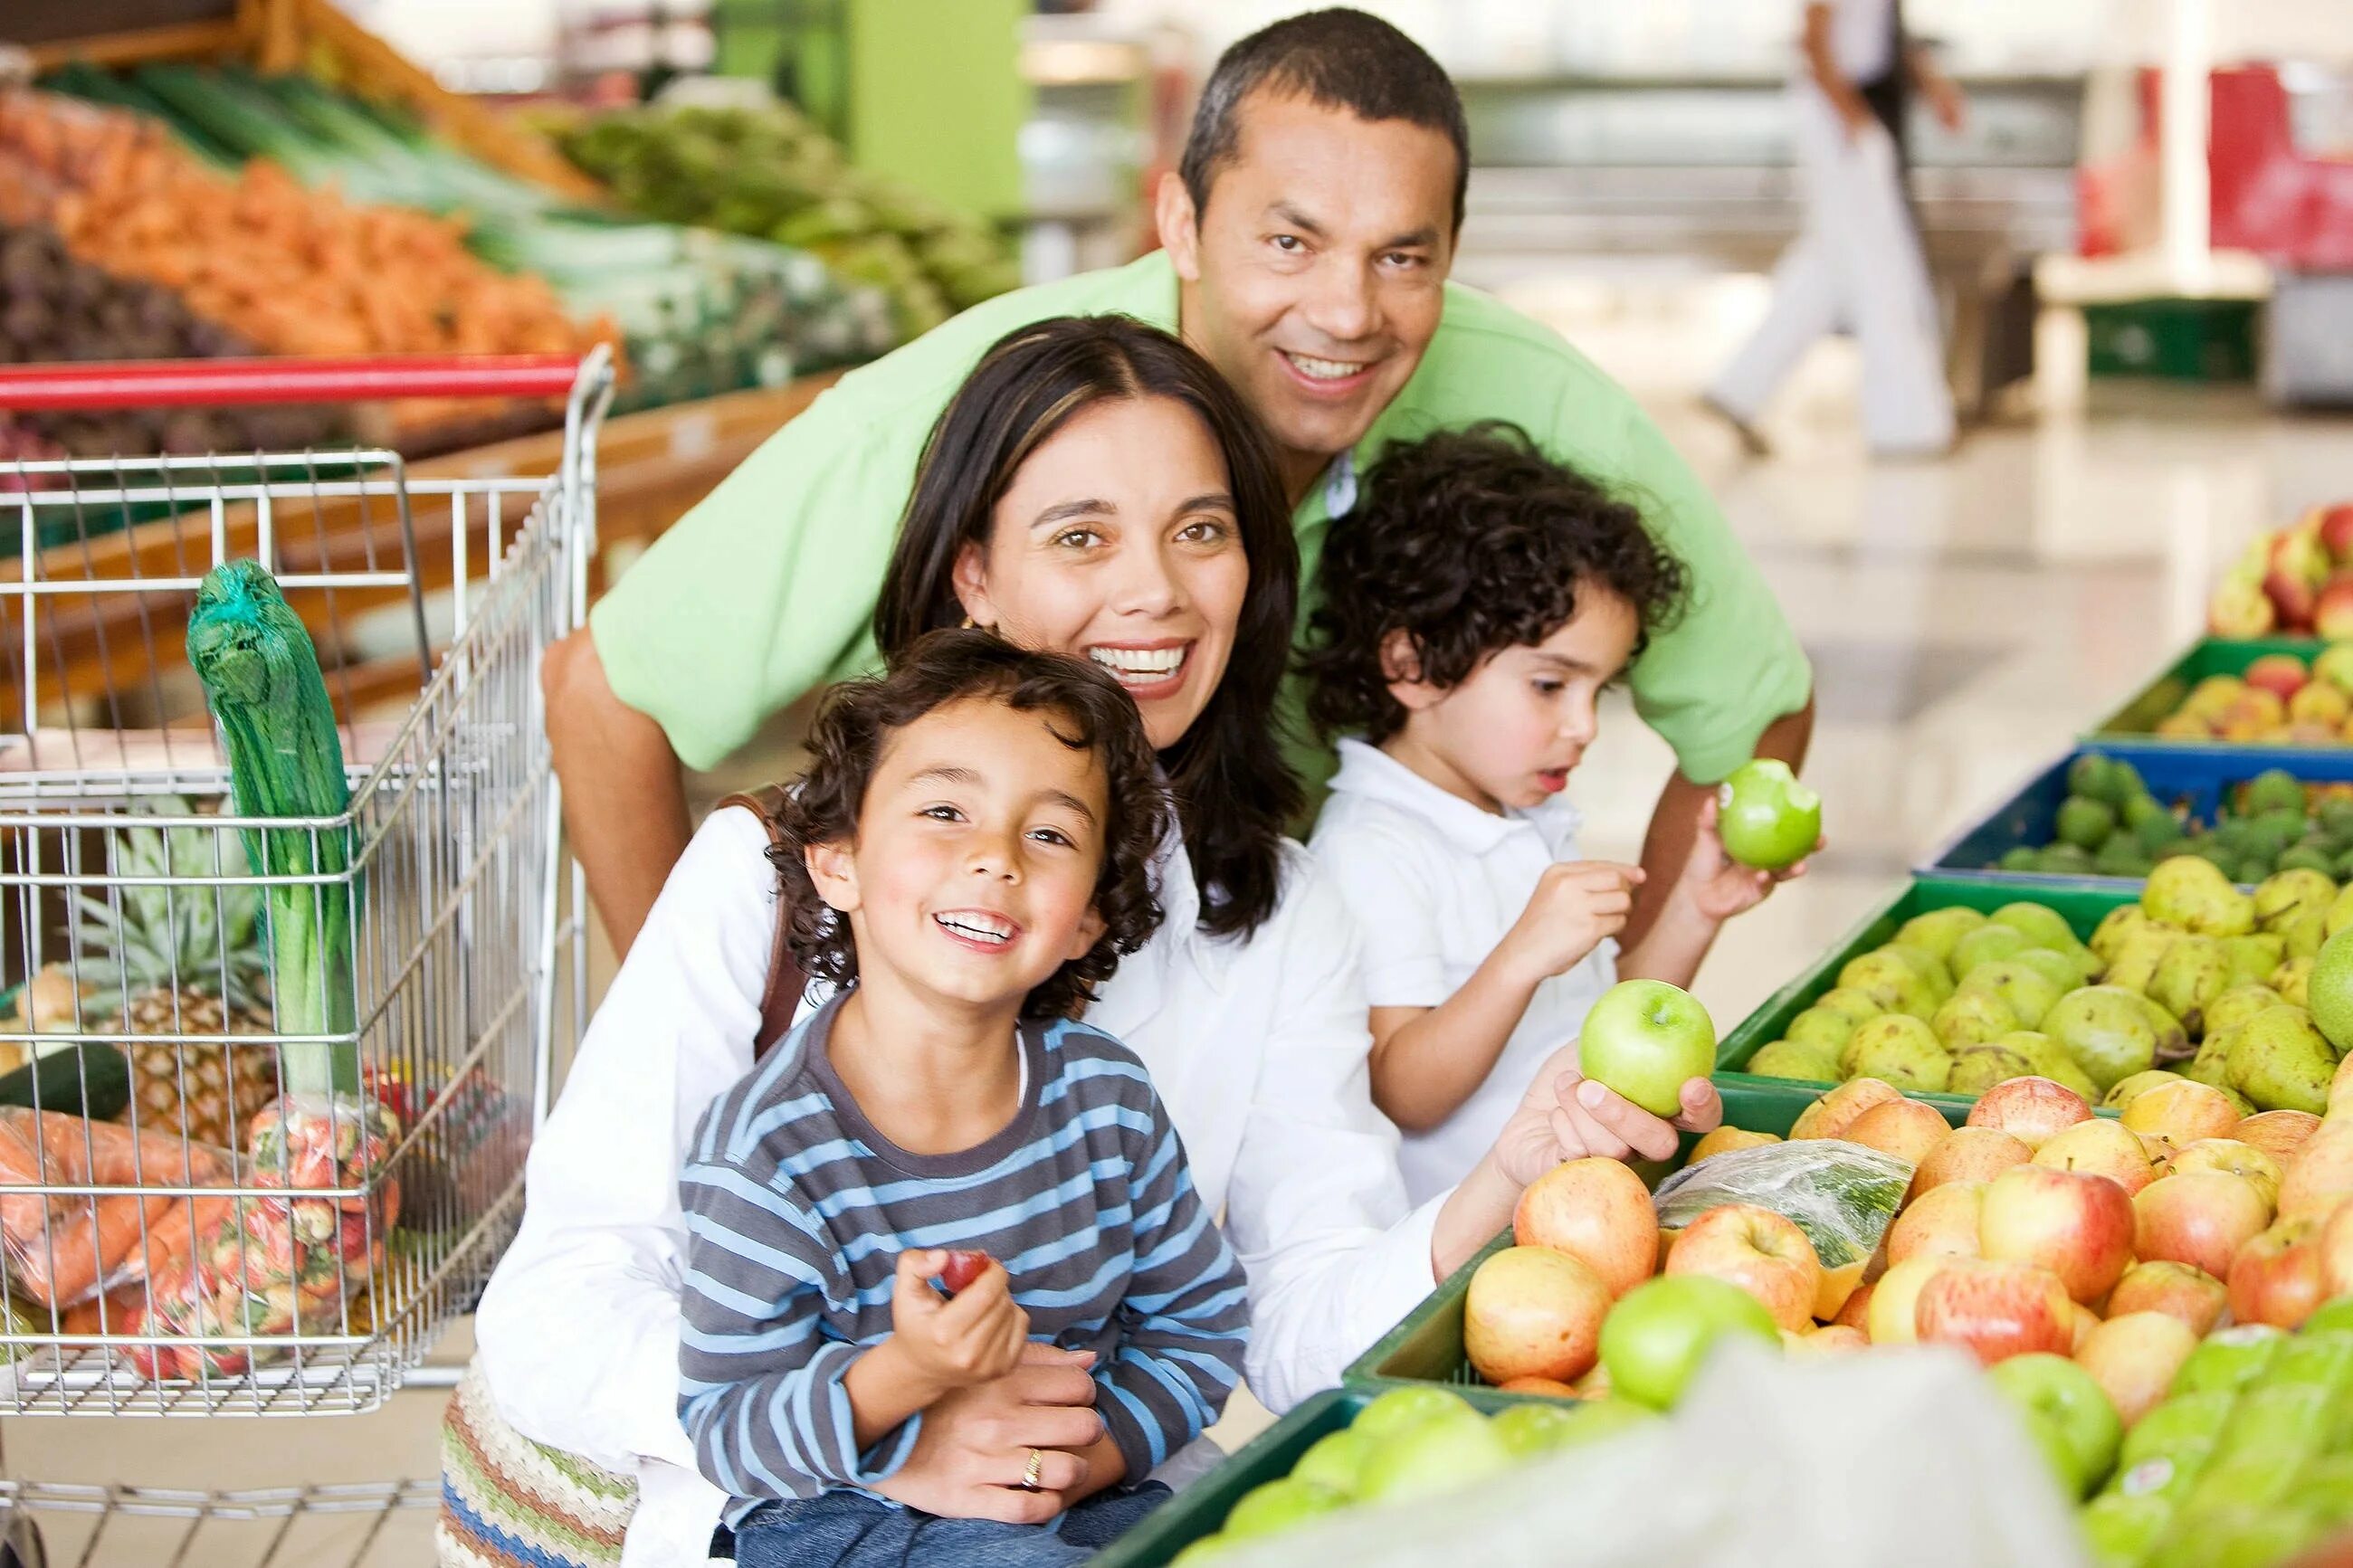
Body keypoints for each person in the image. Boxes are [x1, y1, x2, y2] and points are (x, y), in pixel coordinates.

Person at [451, 318, 1723, 1568]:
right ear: (976, 580)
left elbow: (1288, 1320)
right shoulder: (776, 876)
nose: (1156, 591)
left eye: (1201, 532)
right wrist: (889, 1425)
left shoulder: (1273, 911)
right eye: (1080, 537)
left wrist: (1511, 1171)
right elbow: (560, 1307)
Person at [547, 7, 1813, 969]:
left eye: (1402, 257)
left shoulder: (1533, 401)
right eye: (1289, 240)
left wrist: (1606, 1036)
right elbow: (606, 697)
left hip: (1311, 1017)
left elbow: (1756, 717)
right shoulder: (961, 413)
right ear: (1183, 223)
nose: (1346, 313)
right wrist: (730, 1066)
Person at [678, 632, 1247, 1568]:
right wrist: (910, 1370)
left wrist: (1078, 1459)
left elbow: (1198, 1319)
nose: (995, 857)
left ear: (1089, 917)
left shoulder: (1106, 1101)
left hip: (1084, 1489)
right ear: (836, 860)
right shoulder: (766, 1148)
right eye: (945, 809)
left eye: (1051, 833)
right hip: (846, 1513)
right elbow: (729, 1425)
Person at [1301, 427, 1809, 1206]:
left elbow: (1603, 1031)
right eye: (1549, 685)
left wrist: (1694, 910)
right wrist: (1519, 957)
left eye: (1597, 691)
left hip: (1580, 1203)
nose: (1584, 726)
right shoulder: (1374, 848)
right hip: (1478, 1250)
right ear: (1411, 665)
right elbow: (1402, 1086)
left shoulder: (1523, 815)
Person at [1703, 0, 1969, 458]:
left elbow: (1887, 34)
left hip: (1856, 111)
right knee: (1883, 266)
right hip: (1841, 116)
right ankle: (1904, 426)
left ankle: (1739, 387)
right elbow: (1814, 34)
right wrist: (1852, 117)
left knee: (1832, 265)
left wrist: (1932, 86)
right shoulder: (1846, 113)